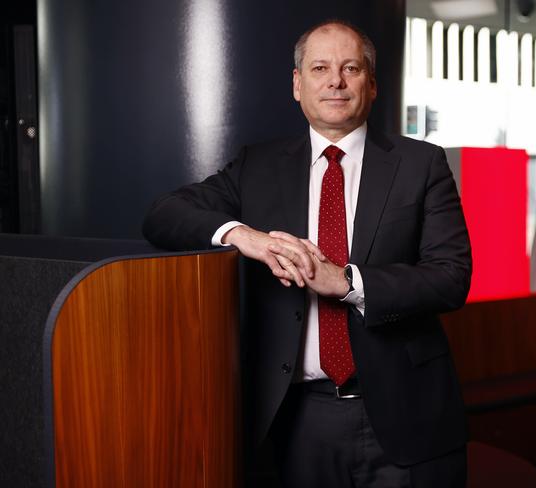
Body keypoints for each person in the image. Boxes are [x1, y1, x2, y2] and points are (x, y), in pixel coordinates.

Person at [143, 19, 472, 488]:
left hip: (406, 411)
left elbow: (451, 276)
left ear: (372, 84)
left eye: (350, 68)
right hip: (297, 420)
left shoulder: (421, 164)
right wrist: (243, 235)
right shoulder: (258, 166)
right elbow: (163, 214)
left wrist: (347, 282)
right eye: (320, 68)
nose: (335, 81)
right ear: (298, 85)